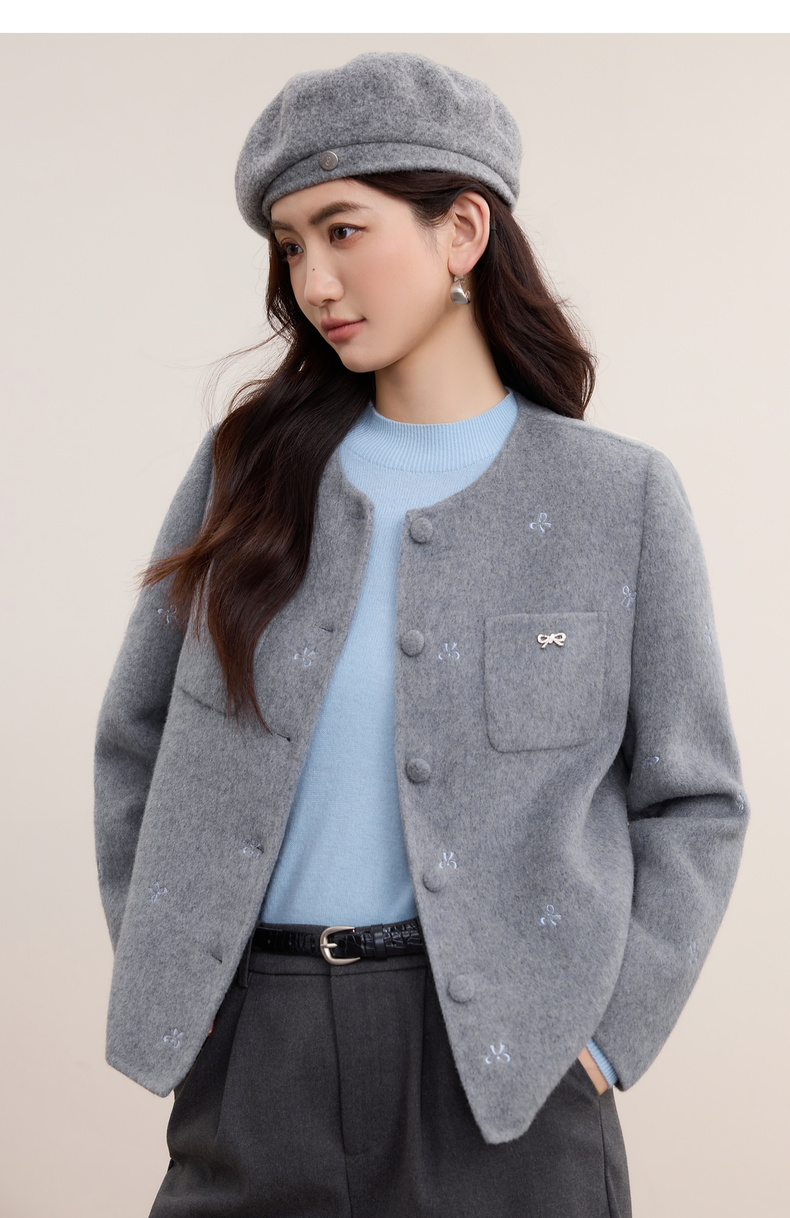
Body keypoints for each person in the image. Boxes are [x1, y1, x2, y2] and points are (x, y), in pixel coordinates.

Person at [94, 52, 749, 1218]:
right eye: (291, 246)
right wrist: (192, 992)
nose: (314, 280)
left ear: (462, 231)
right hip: (259, 1056)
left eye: (343, 231)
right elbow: (137, 745)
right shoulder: (245, 475)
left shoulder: (616, 500)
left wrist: (602, 1041)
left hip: (506, 1078)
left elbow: (693, 802)